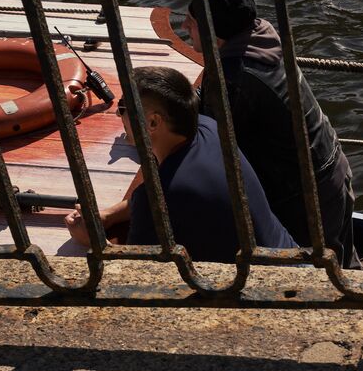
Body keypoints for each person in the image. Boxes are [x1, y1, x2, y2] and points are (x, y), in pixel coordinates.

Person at [187, 0, 359, 268]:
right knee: (342, 266)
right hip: (332, 171)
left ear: (211, 29)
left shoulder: (232, 78)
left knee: (318, 277)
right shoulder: (260, 37)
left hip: (306, 198)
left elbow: (208, 145)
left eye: (190, 21)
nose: (183, 27)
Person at [64, 66, 297, 262]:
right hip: (292, 256)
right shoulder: (209, 127)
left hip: (271, 290)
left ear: (153, 122)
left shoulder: (160, 197)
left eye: (124, 108)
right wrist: (108, 215)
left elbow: (134, 273)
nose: (118, 115)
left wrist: (93, 240)